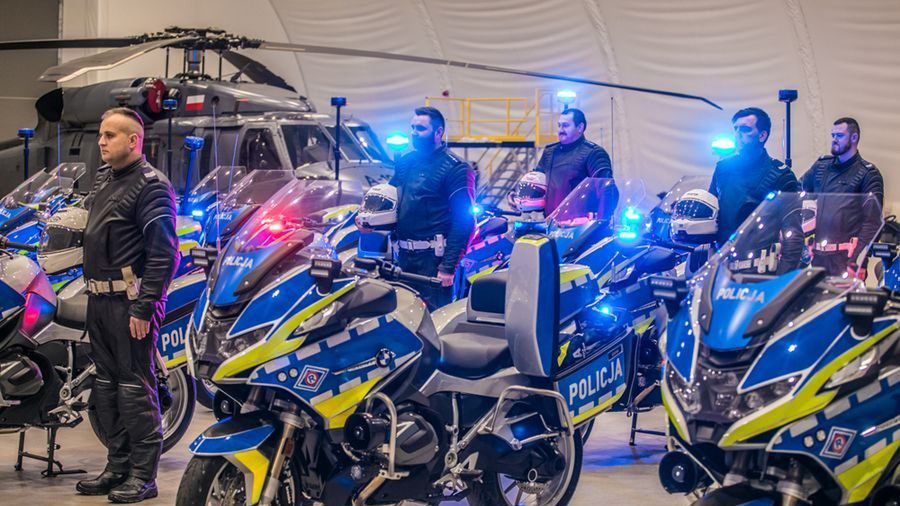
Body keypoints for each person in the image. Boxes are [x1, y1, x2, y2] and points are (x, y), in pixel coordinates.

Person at [76, 107, 179, 503]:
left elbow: (164, 254)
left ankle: (142, 476)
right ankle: (117, 466)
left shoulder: (151, 186)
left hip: (130, 304)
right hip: (99, 301)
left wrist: (145, 307)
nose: (101, 142)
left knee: (135, 389)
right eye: (101, 134)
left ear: (133, 141)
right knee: (106, 388)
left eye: (110, 135)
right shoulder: (106, 178)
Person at [376, 106, 474, 309]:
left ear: (438, 132)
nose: (414, 133)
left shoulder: (456, 168)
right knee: (403, 318)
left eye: (420, 129)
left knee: (434, 320)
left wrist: (448, 267)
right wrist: (369, 221)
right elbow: (391, 199)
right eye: (412, 127)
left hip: (433, 262)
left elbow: (464, 222)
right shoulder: (406, 162)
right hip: (403, 259)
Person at [800, 117, 884, 277]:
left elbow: (873, 223)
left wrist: (857, 260)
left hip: (846, 260)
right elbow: (797, 192)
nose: (834, 139)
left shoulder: (868, 174)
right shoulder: (821, 166)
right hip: (817, 258)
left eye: (839, 135)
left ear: (854, 137)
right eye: (832, 135)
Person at [535, 108, 612, 215]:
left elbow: (607, 190)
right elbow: (535, 180)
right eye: (559, 125)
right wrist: (517, 196)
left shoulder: (594, 153)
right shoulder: (550, 152)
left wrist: (600, 221)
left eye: (565, 125)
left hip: (581, 224)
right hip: (550, 222)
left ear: (580, 127)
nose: (560, 130)